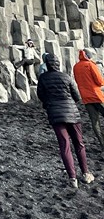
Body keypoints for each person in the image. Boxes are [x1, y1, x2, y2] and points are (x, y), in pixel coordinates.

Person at [37, 53, 94, 187]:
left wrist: (49, 103)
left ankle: (72, 178)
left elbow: (41, 95)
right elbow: (76, 95)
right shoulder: (66, 76)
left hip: (55, 114)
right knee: (79, 143)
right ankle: (86, 173)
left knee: (65, 145)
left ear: (47, 64)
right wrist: (70, 102)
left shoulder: (43, 78)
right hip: (72, 113)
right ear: (58, 63)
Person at [73, 49, 104, 148]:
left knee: (94, 121)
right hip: (97, 96)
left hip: (86, 98)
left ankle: (102, 143)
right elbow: (100, 81)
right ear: (89, 56)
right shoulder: (90, 65)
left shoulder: (76, 67)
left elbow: (77, 81)